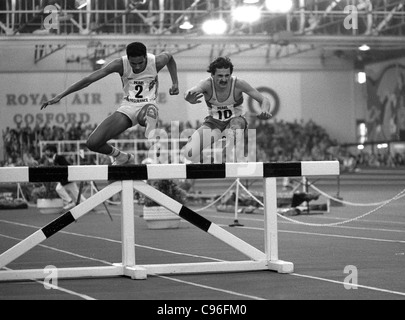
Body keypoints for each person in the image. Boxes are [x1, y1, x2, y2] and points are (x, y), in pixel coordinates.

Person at [41, 42, 179, 165]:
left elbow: (170, 58)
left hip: (148, 105)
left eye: (140, 63)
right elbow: (89, 79)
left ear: (146, 58)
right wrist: (61, 95)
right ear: (128, 59)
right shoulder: (120, 64)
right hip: (128, 107)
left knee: (147, 117)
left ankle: (152, 130)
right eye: (133, 63)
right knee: (93, 143)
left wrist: (175, 83)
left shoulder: (156, 62)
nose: (137, 67)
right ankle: (122, 157)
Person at [183, 56, 272, 163]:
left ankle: (225, 155)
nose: (224, 79)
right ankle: (209, 160)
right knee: (189, 153)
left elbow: (264, 99)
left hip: (235, 121)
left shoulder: (239, 84)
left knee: (235, 125)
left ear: (231, 74)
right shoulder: (207, 84)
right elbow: (190, 91)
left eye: (227, 76)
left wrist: (265, 110)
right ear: (212, 75)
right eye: (220, 76)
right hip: (214, 123)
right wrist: (188, 97)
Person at [43, 145, 86, 210]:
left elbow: (66, 166)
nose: (46, 153)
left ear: (52, 151)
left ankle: (70, 202)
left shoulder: (59, 158)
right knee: (75, 193)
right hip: (66, 179)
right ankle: (86, 205)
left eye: (48, 151)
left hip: (66, 178)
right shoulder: (55, 158)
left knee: (59, 189)